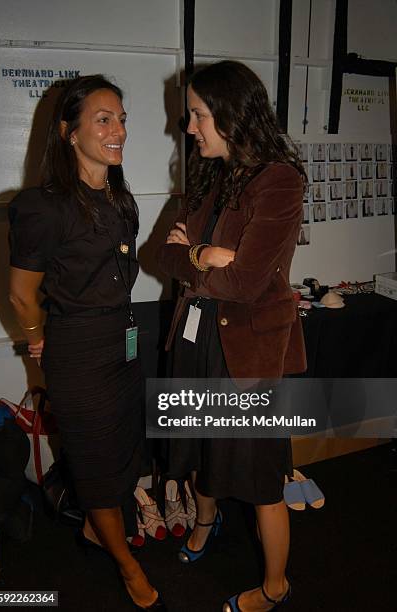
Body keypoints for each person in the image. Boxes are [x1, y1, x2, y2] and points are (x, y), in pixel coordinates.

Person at [9, 75, 165, 611]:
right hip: (76, 352)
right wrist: (37, 340)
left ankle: (103, 531)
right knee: (96, 465)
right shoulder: (41, 205)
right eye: (104, 119)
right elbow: (21, 293)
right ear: (69, 132)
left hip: (122, 344)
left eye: (122, 118)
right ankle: (127, 567)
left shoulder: (120, 200)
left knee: (124, 452)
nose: (118, 129)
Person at [157, 61, 307, 611]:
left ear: (230, 114)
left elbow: (244, 284)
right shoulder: (212, 172)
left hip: (248, 352)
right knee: (199, 444)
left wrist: (195, 253)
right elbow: (162, 253)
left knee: (261, 473)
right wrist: (206, 256)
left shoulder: (280, 180)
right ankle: (206, 521)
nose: (190, 126)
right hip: (197, 337)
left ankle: (275, 588)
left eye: (198, 114)